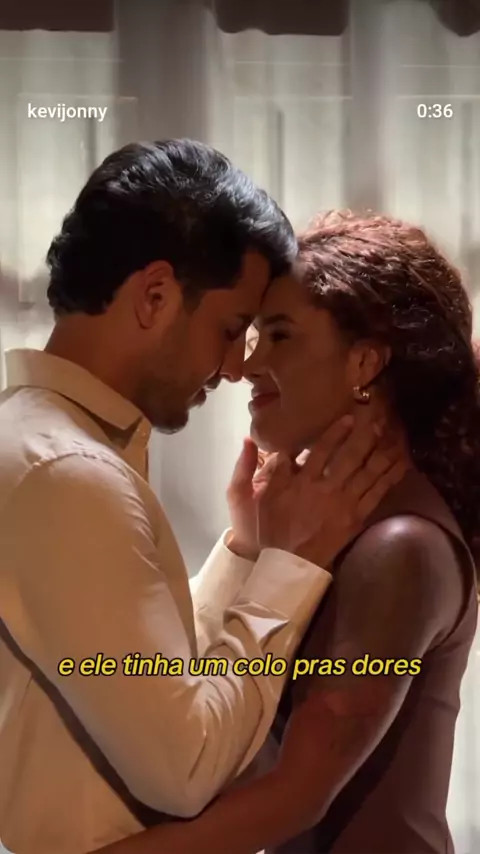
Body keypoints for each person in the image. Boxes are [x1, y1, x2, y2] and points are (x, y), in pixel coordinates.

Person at [0, 144, 401, 854]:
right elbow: (185, 765)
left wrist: (246, 552)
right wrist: (292, 564)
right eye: (231, 328)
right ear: (155, 296)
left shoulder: (42, 444)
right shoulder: (68, 471)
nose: (237, 366)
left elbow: (141, 675)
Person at [94, 211, 479, 854]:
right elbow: (207, 731)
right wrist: (252, 548)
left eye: (279, 335)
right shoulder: (340, 534)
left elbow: (294, 795)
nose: (247, 365)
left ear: (364, 362)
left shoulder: (400, 547)